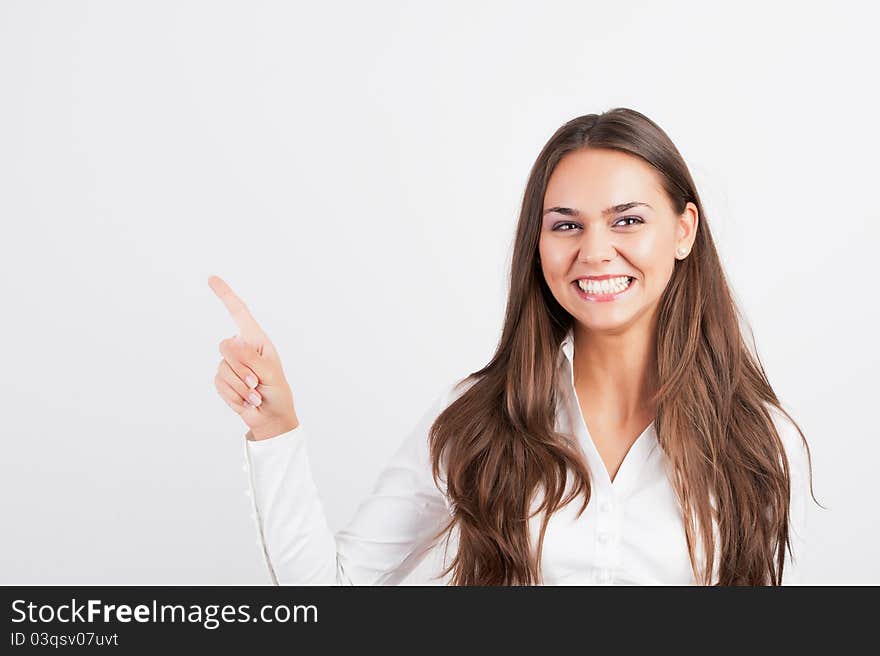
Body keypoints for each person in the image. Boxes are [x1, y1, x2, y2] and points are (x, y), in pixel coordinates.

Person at [209, 108, 820, 586]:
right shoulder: (478, 418)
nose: (595, 250)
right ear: (539, 244)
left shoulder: (759, 439)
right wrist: (276, 428)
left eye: (628, 219)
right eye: (565, 225)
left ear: (684, 230)